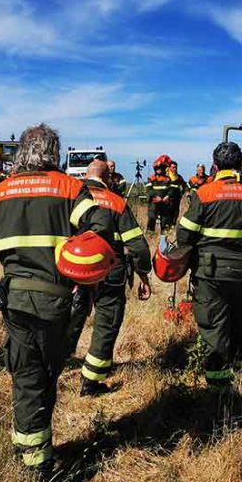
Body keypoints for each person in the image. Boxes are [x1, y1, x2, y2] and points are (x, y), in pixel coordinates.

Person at [0, 123, 113, 477]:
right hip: (60, 301)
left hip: (15, 302)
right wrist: (80, 271)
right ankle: (38, 465)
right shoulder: (72, 189)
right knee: (44, 377)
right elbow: (101, 228)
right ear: (54, 152)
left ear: (22, 153)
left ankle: (29, 449)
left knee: (26, 376)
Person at [176, 142, 242, 390]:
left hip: (211, 273)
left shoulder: (206, 193)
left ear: (215, 166)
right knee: (241, 321)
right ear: (241, 165)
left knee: (213, 326)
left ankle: (218, 388)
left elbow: (184, 236)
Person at [69, 160, 152, 396]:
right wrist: (143, 274)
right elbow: (137, 244)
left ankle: (60, 363)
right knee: (106, 325)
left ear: (86, 175)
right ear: (108, 178)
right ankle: (91, 382)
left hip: (74, 271)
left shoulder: (71, 197)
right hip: (109, 271)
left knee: (71, 318)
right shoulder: (116, 202)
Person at [145, 156, 172, 233]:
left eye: (160, 168)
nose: (158, 170)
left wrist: (167, 196)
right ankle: (150, 234)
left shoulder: (167, 179)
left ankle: (164, 234)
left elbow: (170, 190)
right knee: (152, 218)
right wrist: (157, 197)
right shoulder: (151, 178)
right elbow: (149, 190)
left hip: (164, 202)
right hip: (154, 202)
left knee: (165, 219)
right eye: (157, 168)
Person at [166, 161, 187, 228]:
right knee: (168, 212)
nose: (175, 169)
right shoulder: (166, 176)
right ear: (169, 168)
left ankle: (173, 225)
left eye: (176, 167)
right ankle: (167, 225)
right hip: (167, 199)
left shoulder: (179, 177)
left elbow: (184, 185)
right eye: (173, 167)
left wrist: (183, 192)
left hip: (177, 198)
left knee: (176, 212)